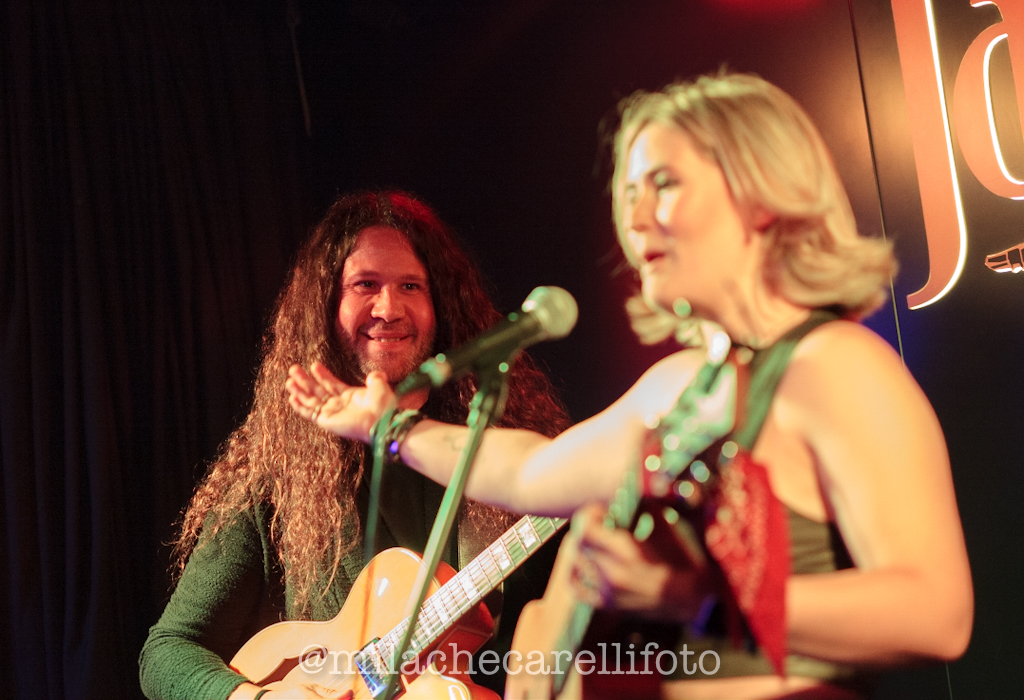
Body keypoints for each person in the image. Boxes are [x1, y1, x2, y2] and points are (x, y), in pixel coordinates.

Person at [285, 73, 974, 699]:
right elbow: (527, 471)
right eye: (629, 195)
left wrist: (696, 597)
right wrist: (389, 427)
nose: (635, 220)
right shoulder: (680, 384)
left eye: (664, 184)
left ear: (761, 195)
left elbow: (936, 615)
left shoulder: (834, 366)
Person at [139, 191, 571, 700]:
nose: (388, 309)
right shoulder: (277, 468)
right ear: (327, 307)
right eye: (365, 284)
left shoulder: (502, 451)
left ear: (441, 304)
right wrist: (258, 698)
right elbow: (168, 650)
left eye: (411, 286)